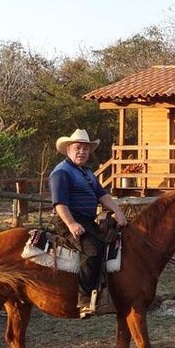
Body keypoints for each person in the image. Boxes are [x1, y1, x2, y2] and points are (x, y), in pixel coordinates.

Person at [49, 128, 128, 317]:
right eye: (78, 148)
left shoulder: (87, 173)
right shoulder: (61, 172)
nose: (82, 152)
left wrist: (117, 211)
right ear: (68, 149)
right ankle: (84, 300)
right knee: (92, 251)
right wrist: (71, 224)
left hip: (87, 220)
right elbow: (60, 203)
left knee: (113, 241)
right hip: (68, 219)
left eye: (85, 149)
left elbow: (102, 195)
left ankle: (106, 293)